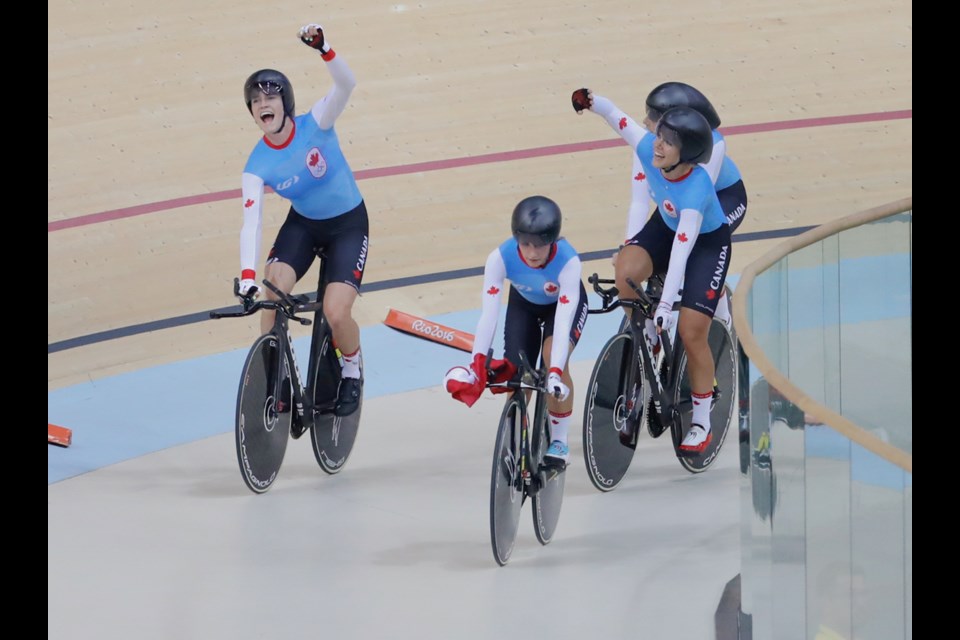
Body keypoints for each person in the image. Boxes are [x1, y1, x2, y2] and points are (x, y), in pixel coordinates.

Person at [572, 88, 731, 455]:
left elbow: (680, 254)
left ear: (686, 155)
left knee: (692, 332)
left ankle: (702, 420)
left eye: (668, 143)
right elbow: (619, 119)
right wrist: (591, 101)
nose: (657, 145)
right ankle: (647, 335)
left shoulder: (695, 191)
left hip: (705, 244)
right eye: (660, 137)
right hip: (667, 224)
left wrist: (664, 308)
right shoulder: (649, 148)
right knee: (626, 269)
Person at [236, 23, 367, 417]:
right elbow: (251, 223)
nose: (263, 103)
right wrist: (246, 277)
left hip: (347, 224)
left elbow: (347, 85)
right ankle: (277, 376)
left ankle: (352, 368)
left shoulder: (318, 123)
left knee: (336, 312)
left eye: (270, 95)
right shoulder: (256, 165)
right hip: (304, 225)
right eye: (255, 99)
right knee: (270, 294)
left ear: (285, 101)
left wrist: (325, 48)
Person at [443, 196, 589, 464]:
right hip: (524, 304)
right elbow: (489, 315)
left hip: (561, 308)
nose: (532, 253)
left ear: (553, 242)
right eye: (525, 244)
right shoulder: (500, 257)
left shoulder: (569, 261)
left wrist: (555, 371)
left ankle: (559, 441)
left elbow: (565, 317)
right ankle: (516, 438)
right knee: (517, 372)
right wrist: (477, 364)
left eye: (540, 246)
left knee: (551, 357)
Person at [620, 82, 747, 328]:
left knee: (697, 253)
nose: (645, 121)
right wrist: (629, 244)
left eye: (653, 117)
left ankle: (722, 320)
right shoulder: (649, 146)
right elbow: (639, 201)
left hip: (720, 200)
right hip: (678, 201)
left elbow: (695, 206)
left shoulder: (715, 144)